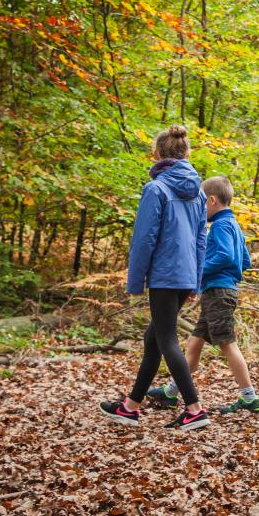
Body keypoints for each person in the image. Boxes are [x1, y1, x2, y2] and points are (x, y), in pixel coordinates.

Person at [99, 125, 211, 431]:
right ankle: (130, 407)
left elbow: (144, 240)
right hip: (185, 272)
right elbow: (201, 240)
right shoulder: (199, 193)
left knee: (166, 339)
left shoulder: (156, 189)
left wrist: (135, 281)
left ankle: (194, 409)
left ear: (156, 154)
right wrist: (195, 281)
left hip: (164, 274)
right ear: (187, 154)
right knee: (154, 338)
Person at [146, 176, 259, 415]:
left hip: (219, 292)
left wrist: (198, 274)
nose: (199, 208)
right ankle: (171, 392)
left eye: (201, 203)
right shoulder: (233, 225)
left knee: (227, 345)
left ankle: (249, 398)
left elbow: (226, 257)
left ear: (211, 200)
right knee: (195, 343)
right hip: (218, 291)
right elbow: (244, 261)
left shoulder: (220, 226)